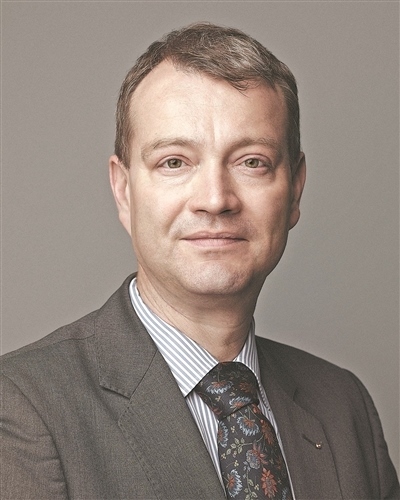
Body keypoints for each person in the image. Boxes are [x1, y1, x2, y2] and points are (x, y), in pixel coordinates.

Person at [1, 22, 398, 500]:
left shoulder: (343, 405)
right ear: (124, 191)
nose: (215, 199)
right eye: (174, 162)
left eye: (251, 161)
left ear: (294, 189)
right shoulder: (23, 407)